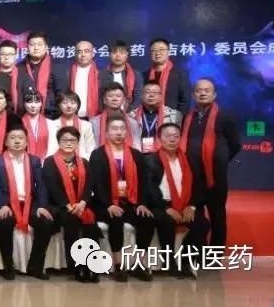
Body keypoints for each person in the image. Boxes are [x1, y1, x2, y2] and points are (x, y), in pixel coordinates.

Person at [88, 112, 156, 282]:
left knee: (147, 219)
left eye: (122, 129)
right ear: (106, 133)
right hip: (104, 203)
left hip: (130, 201)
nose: (118, 132)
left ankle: (139, 264)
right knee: (115, 218)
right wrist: (109, 204)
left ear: (126, 132)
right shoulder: (98, 154)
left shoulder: (136, 155)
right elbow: (96, 183)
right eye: (114, 129)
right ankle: (118, 265)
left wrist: (142, 203)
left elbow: (143, 182)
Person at [0, 119, 54, 280]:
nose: (17, 141)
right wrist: (2, 204)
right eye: (13, 138)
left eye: (21, 138)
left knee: (46, 222)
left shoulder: (34, 160)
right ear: (6, 141)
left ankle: (35, 266)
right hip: (8, 203)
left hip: (29, 204)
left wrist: (42, 205)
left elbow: (41, 185)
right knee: (4, 222)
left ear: (26, 141)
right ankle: (8, 266)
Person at [181, 78, 239, 248]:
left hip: (215, 177)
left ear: (214, 95)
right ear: (193, 95)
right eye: (199, 90)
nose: (203, 93)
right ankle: (197, 250)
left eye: (207, 90)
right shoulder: (187, 117)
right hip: (192, 177)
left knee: (217, 216)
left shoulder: (225, 117)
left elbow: (235, 145)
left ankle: (215, 253)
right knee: (196, 216)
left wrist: (220, 160)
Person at [41, 126, 101, 283]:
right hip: (60, 206)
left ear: (78, 142)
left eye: (73, 140)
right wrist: (68, 205)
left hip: (81, 205)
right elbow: (52, 187)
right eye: (65, 140)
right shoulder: (50, 162)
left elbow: (89, 185)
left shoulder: (84, 162)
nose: (69, 143)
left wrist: (83, 203)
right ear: (58, 142)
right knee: (72, 222)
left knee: (91, 225)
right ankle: (76, 267)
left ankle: (93, 266)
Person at [148, 123, 209, 278]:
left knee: (203, 224)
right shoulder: (152, 160)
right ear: (159, 139)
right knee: (166, 221)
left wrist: (192, 206)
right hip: (161, 205)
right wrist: (166, 208)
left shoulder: (189, 160)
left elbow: (199, 186)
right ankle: (169, 263)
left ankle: (185, 260)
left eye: (176, 136)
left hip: (185, 204)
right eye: (168, 136)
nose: (172, 140)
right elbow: (150, 189)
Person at [131, 80, 183, 153]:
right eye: (148, 92)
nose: (151, 95)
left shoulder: (174, 116)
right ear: (142, 95)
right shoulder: (131, 116)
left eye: (155, 92)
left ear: (161, 96)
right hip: (138, 154)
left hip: (162, 154)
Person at [17, 32, 59, 118]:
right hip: (23, 117)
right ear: (27, 47)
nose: (36, 48)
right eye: (32, 44)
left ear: (46, 47)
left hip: (50, 117)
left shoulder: (56, 66)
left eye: (40, 44)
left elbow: (61, 95)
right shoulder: (18, 68)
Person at [46, 91, 97, 160]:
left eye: (72, 103)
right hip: (58, 161)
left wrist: (84, 162)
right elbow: (51, 148)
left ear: (78, 105)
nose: (69, 106)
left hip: (82, 161)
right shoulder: (51, 125)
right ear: (59, 105)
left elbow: (91, 148)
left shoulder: (86, 125)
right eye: (64, 103)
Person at [90, 82, 141, 148]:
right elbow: (91, 146)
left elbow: (137, 146)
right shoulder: (93, 122)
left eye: (118, 96)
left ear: (124, 100)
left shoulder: (133, 123)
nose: (114, 99)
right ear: (104, 100)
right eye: (110, 96)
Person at [0, 41, 33, 113]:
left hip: (17, 117)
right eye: (3, 54)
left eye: (10, 54)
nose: (6, 57)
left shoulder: (24, 77)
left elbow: (30, 102)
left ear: (15, 56)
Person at [145, 38, 190, 112]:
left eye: (161, 49)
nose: (157, 53)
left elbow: (185, 101)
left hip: (172, 117)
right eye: (154, 50)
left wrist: (178, 116)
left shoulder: (180, 74)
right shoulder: (144, 75)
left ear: (169, 52)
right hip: (148, 116)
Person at [101, 39, 141, 111]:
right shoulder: (101, 74)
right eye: (114, 52)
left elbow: (138, 97)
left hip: (129, 114)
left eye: (121, 52)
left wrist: (130, 113)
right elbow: (99, 97)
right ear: (109, 54)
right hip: (106, 114)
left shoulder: (136, 74)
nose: (118, 55)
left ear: (127, 54)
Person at [67, 40, 100, 119]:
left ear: (93, 53)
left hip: (95, 117)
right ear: (75, 54)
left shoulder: (101, 73)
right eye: (79, 52)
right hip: (72, 116)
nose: (83, 55)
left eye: (86, 51)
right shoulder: (68, 72)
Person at [20, 89, 51, 160]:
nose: (33, 106)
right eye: (29, 102)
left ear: (41, 104)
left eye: (36, 102)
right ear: (24, 104)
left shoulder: (49, 123)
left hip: (45, 160)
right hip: (23, 160)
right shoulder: (19, 123)